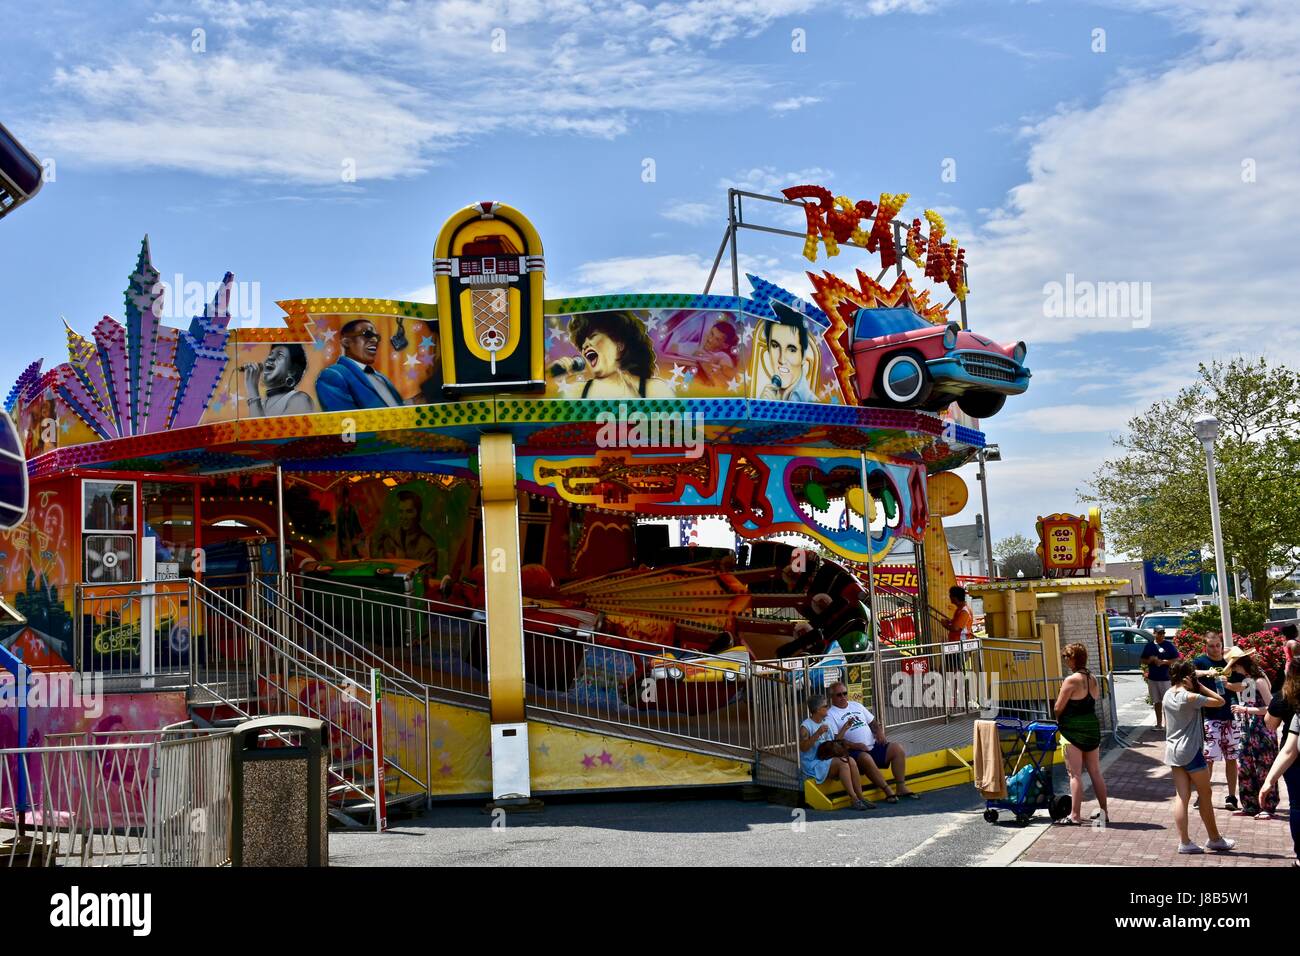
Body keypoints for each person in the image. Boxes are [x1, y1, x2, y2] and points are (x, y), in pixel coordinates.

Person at [1163, 659, 1236, 854]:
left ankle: (1184, 842)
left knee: (1182, 797)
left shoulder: (1167, 695)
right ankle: (1215, 839)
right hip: (1191, 750)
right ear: (1189, 677)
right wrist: (1201, 687)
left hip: (1173, 751)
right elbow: (1221, 701)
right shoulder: (1190, 697)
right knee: (1205, 794)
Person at [825, 681, 916, 802]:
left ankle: (901, 786)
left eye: (845, 693)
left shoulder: (856, 705)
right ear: (832, 697)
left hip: (872, 745)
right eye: (839, 695)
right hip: (853, 751)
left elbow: (872, 722)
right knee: (865, 757)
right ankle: (887, 790)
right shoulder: (830, 714)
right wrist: (855, 745)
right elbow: (836, 740)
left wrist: (879, 731)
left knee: (897, 748)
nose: (843, 697)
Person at [1053, 642, 1109, 825]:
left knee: (1075, 774)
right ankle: (1104, 812)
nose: (1065, 661)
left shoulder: (1071, 680)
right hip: (1091, 728)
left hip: (1073, 730)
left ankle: (1075, 815)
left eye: (1066, 657)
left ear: (1073, 658)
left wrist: (1059, 718)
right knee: (1095, 771)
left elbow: (1058, 707)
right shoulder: (1092, 678)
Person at [1193, 632, 1248, 810]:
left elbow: (1245, 685)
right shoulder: (1201, 661)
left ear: (1221, 644)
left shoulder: (1230, 662)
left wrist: (1227, 684)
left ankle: (1231, 797)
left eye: (1218, 645)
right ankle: (1203, 796)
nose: (1215, 649)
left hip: (1231, 716)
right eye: (1211, 646)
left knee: (1231, 759)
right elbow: (1188, 675)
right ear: (1205, 646)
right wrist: (1207, 672)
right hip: (1210, 716)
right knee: (1208, 758)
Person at [568, 312, 674, 399]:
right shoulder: (576, 393)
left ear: (619, 345)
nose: (585, 345)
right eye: (582, 342)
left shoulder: (655, 390)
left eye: (592, 336)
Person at [1227, 646, 1279, 818]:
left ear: (1240, 664)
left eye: (1234, 666)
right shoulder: (1249, 680)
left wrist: (1246, 710)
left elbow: (1271, 707)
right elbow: (1249, 704)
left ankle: (1267, 806)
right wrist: (1244, 710)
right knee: (1246, 767)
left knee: (1263, 767)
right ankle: (1250, 805)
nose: (1233, 669)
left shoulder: (1258, 680)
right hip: (1248, 730)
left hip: (1261, 730)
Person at [799, 694, 873, 811]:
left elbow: (833, 743)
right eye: (825, 706)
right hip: (813, 763)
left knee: (851, 761)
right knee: (842, 763)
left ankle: (860, 797)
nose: (828, 708)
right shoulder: (806, 726)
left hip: (825, 758)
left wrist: (845, 728)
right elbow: (803, 748)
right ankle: (854, 799)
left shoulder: (826, 722)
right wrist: (817, 734)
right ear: (818, 710)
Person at [1259, 653, 1300, 866]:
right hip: (1292, 754)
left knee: (1297, 804)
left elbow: (1270, 724)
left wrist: (1269, 781)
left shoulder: (1284, 697)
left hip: (1294, 762)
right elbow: (1289, 750)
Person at [316, 319, 404, 412]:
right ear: (346, 342)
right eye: (367, 334)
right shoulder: (333, 375)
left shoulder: (380, 377)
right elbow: (347, 421)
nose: (375, 340)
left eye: (377, 337)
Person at [755, 302, 819, 403]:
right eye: (775, 346)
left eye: (791, 349)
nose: (781, 359)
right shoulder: (765, 397)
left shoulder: (812, 403)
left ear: (803, 357)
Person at [242, 343, 316, 417]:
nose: (270, 357)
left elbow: (258, 427)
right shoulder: (261, 403)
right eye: (271, 354)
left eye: (280, 355)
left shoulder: (300, 400)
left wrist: (252, 389)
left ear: (292, 371)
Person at [370, 490, 437, 564]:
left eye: (409, 511)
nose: (404, 517)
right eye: (401, 512)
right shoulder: (390, 535)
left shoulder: (427, 546)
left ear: (418, 513)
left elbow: (428, 574)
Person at [938, 585, 975, 708]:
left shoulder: (964, 611)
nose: (949, 598)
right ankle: (956, 697)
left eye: (950, 596)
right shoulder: (961, 610)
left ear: (954, 597)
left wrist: (945, 624)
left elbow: (955, 627)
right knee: (951, 671)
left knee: (954, 672)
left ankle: (958, 698)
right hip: (954, 646)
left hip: (958, 647)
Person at [1139, 625, 1180, 729]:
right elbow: (1143, 660)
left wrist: (1165, 662)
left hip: (1166, 679)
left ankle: (1169, 725)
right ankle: (1159, 724)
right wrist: (1151, 660)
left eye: (1163, 633)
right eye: (1159, 633)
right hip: (1153, 678)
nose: (1161, 635)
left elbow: (1177, 660)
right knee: (1157, 702)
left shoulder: (1169, 645)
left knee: (1167, 703)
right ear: (1154, 633)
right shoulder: (1149, 646)